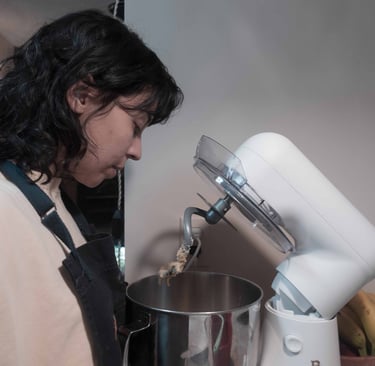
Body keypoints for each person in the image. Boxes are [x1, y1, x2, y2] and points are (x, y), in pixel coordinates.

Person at [0, 9, 183, 366]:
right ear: (81, 96)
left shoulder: (50, 196)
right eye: (135, 125)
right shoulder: (5, 214)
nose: (137, 151)